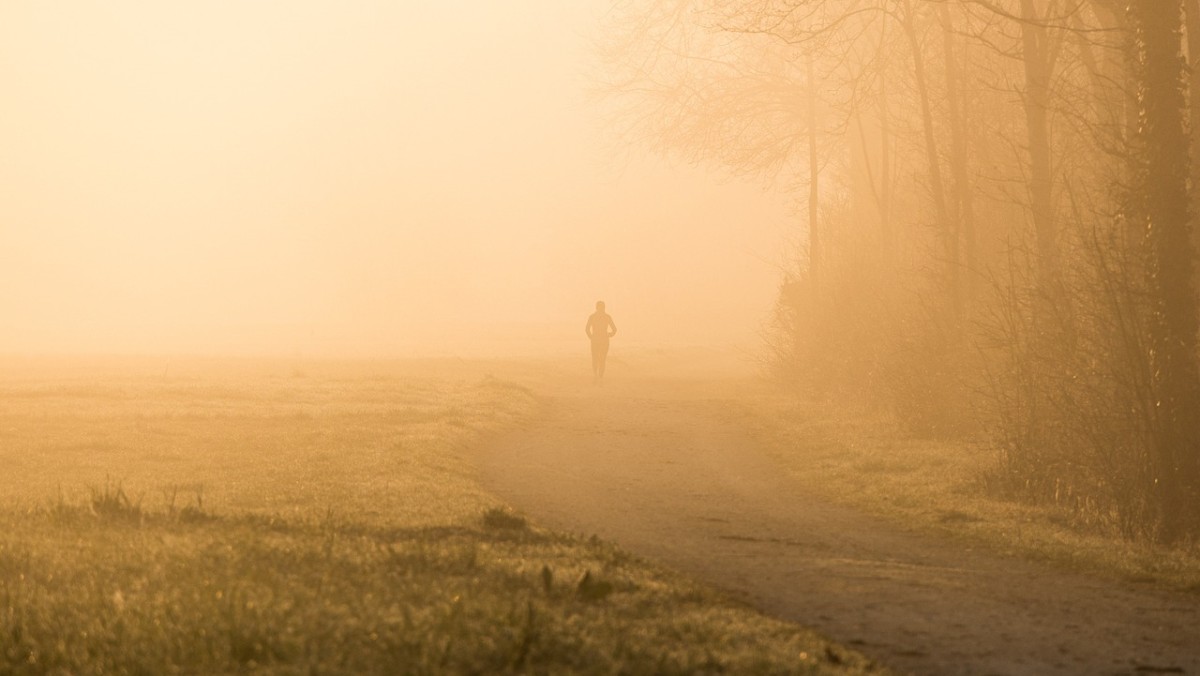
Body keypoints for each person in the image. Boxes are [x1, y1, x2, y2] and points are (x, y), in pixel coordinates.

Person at [585, 301, 617, 383]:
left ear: (596, 307)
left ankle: (596, 375)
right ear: (604, 307)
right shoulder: (607, 317)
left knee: (595, 358)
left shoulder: (592, 317)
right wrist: (609, 334)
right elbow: (614, 330)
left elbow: (587, 329)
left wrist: (591, 337)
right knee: (602, 358)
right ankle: (600, 376)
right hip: (604, 340)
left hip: (595, 340)